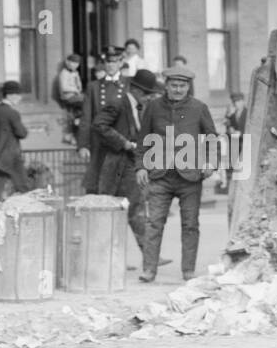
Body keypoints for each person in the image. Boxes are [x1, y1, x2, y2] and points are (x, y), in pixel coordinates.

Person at [134, 65, 217, 283]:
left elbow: (211, 138)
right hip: (160, 175)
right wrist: (141, 166)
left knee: (190, 225)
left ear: (188, 86)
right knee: (154, 223)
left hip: (190, 177)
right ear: (166, 86)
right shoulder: (153, 107)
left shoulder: (199, 108)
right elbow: (143, 140)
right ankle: (149, 269)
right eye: (174, 85)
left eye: (182, 86)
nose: (178, 89)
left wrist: (210, 162)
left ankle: (188, 270)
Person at [93, 68, 165, 259]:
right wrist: (123, 142)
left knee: (135, 208)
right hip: (116, 165)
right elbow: (99, 125)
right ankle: (107, 257)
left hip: (131, 165)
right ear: (138, 91)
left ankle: (145, 255)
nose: (150, 99)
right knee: (115, 210)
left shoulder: (139, 108)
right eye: (148, 95)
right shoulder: (117, 103)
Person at [77, 46, 128, 193]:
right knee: (97, 185)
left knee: (123, 186)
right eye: (108, 62)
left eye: (114, 62)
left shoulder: (128, 84)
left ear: (120, 63)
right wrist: (83, 145)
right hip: (99, 143)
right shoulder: (94, 87)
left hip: (122, 141)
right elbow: (86, 117)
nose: (110, 65)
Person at [0, 80, 28, 201]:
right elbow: (22, 133)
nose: (20, 98)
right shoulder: (12, 113)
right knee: (23, 185)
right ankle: (31, 212)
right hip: (11, 154)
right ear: (10, 95)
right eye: (18, 95)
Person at [53, 53, 84, 146]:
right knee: (87, 103)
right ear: (67, 62)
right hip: (68, 97)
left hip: (75, 97)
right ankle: (77, 124)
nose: (75, 65)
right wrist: (75, 90)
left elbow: (80, 87)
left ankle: (78, 121)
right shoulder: (64, 73)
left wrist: (77, 80)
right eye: (73, 62)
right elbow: (64, 88)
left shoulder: (75, 73)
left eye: (77, 63)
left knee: (87, 103)